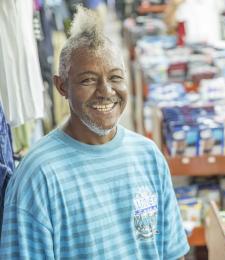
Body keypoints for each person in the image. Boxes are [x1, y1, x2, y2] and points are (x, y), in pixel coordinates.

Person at [0, 6, 189, 259]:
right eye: (88, 80)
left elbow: (172, 253)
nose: (106, 91)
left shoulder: (148, 156)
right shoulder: (37, 176)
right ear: (61, 86)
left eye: (115, 77)